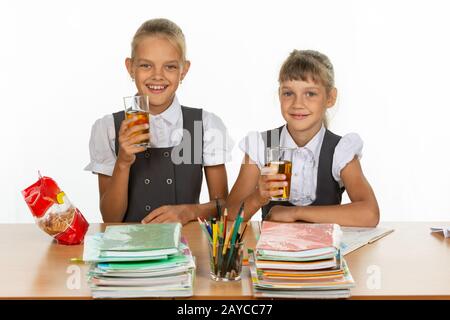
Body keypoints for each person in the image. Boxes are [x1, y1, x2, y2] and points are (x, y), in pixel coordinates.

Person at [85, 18, 233, 224]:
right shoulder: (108, 128)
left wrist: (189, 211)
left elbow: (224, 205)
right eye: (146, 65)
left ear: (184, 70)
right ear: (130, 67)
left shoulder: (204, 126)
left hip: (185, 248)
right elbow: (110, 217)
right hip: (130, 251)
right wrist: (123, 162)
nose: (157, 76)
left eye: (170, 67)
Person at [226, 50, 379, 227]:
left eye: (310, 94)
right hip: (272, 252)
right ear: (279, 95)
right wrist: (257, 197)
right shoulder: (262, 146)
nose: (298, 104)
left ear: (330, 98)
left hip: (323, 252)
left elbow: (369, 214)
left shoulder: (339, 149)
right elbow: (229, 216)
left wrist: (295, 213)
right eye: (288, 93)